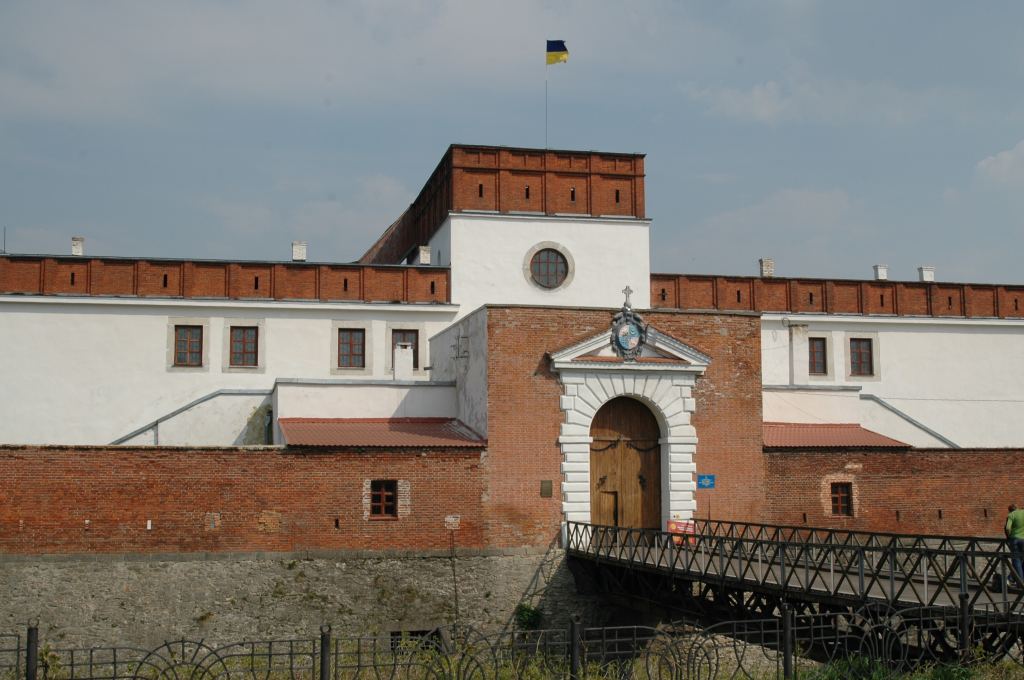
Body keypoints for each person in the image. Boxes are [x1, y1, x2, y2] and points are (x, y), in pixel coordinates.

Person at [1005, 504, 1024, 584]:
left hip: (1015, 539)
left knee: (1016, 560)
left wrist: (1008, 537)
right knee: (1021, 559)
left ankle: (1021, 582)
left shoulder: (1012, 515)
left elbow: (1007, 528)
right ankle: (1012, 578)